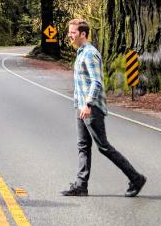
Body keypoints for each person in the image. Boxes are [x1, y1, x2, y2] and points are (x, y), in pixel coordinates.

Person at [61, 20, 146, 198]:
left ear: (83, 34)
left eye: (72, 32)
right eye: (69, 32)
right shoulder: (81, 52)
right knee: (83, 146)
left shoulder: (90, 54)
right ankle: (81, 185)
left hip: (91, 109)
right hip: (81, 108)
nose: (69, 35)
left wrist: (88, 104)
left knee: (104, 147)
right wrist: (81, 105)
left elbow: (97, 81)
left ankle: (136, 178)